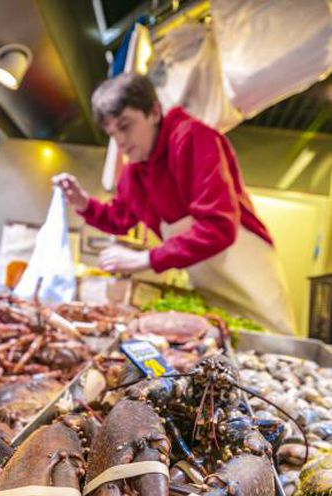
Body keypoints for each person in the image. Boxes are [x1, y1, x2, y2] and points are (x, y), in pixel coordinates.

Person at [53, 73, 296, 334]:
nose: (120, 141)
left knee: (272, 341)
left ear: (154, 112)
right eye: (112, 133)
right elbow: (119, 218)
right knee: (227, 339)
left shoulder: (193, 138)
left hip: (248, 273)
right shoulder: (134, 173)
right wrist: (82, 202)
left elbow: (219, 228)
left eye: (125, 126)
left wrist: (146, 259)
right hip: (210, 283)